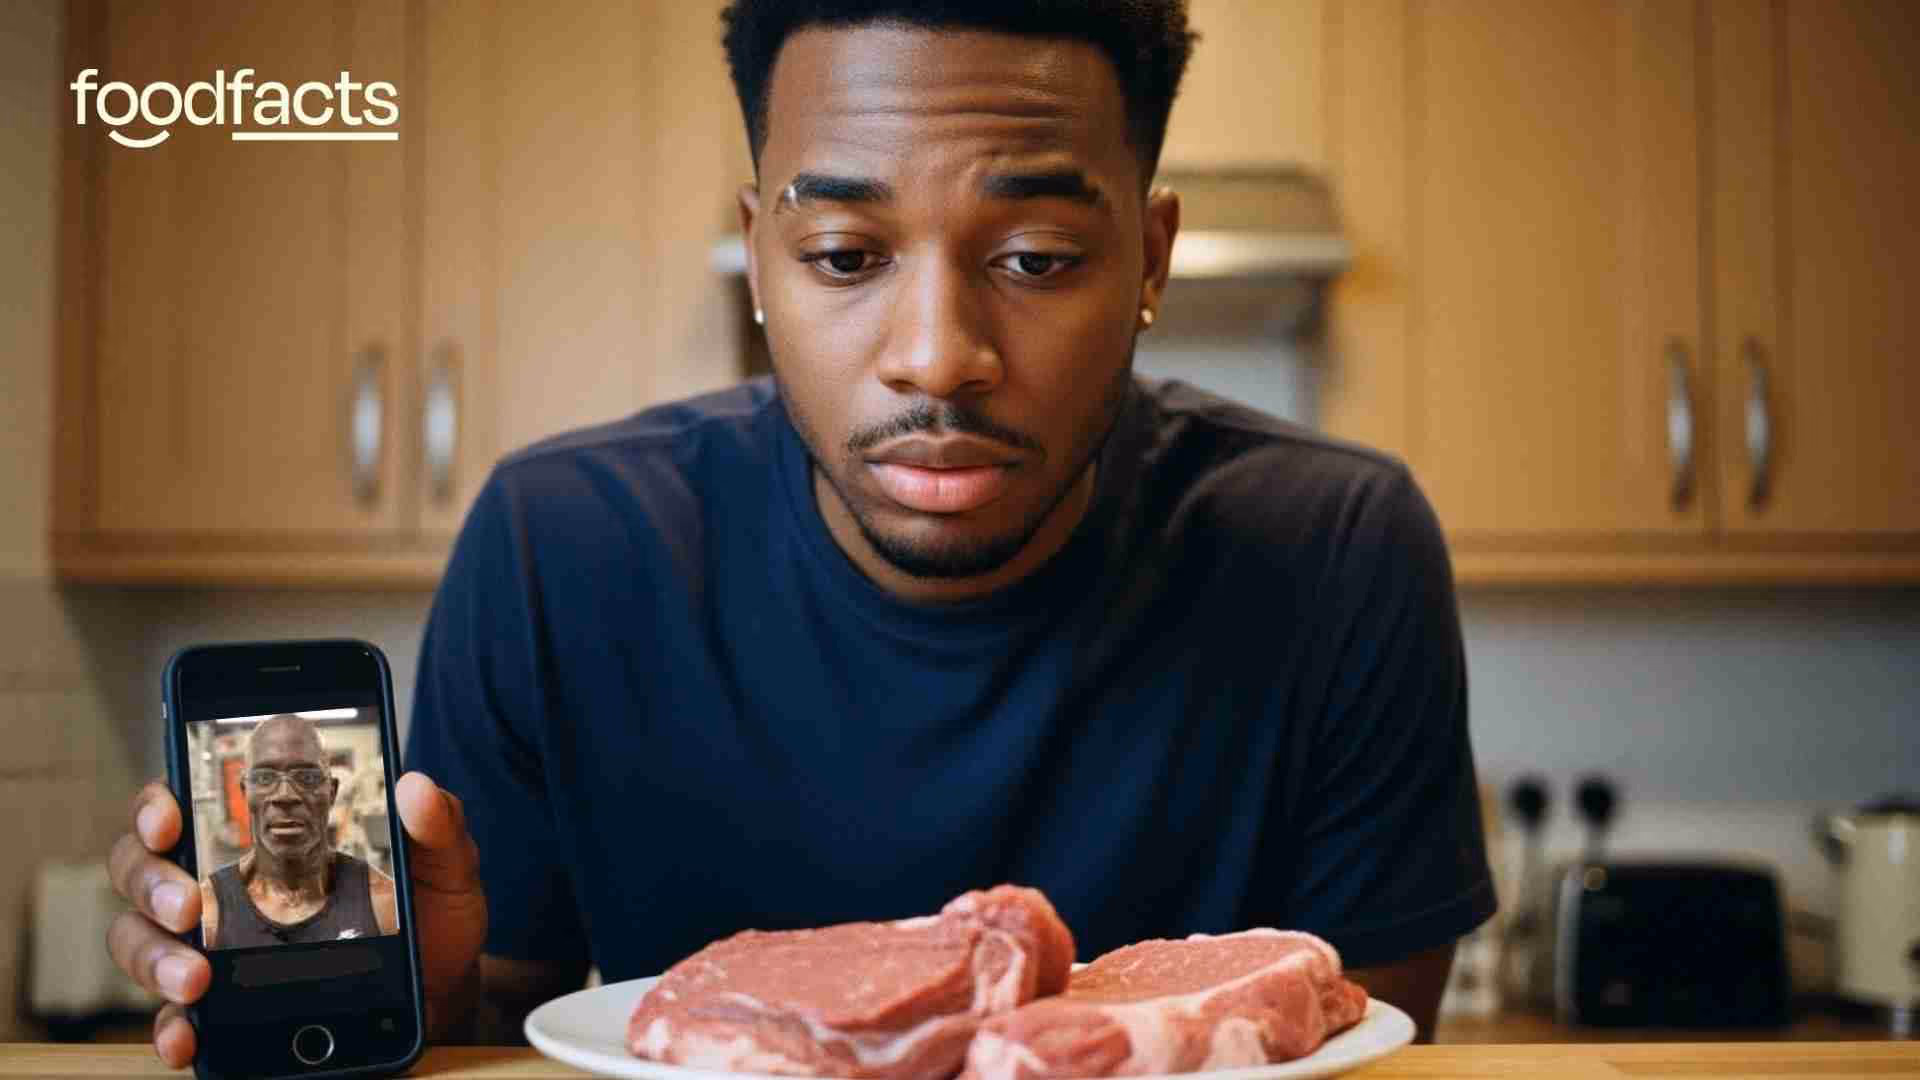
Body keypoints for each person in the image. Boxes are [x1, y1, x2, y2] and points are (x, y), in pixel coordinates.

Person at [106, 0, 1495, 1064]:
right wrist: (428, 993)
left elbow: (1366, 1050)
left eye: (1037, 258)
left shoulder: (1333, 552)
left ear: (1152, 258)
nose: (937, 356)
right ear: (761, 258)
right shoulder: (564, 549)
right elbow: (509, 1033)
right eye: (844, 257)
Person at [197, 715, 398, 948]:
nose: (285, 795)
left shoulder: (385, 903)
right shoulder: (208, 911)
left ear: (331, 792)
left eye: (307, 778)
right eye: (264, 778)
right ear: (245, 791)